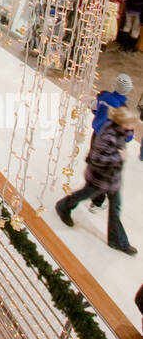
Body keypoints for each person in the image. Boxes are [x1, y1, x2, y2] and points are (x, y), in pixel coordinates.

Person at [56, 105, 138, 255]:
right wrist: (118, 157)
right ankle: (63, 206)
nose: (134, 127)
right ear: (123, 123)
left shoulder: (121, 132)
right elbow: (97, 158)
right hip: (99, 178)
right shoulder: (108, 135)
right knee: (84, 194)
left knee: (115, 208)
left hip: (112, 180)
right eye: (131, 123)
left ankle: (118, 241)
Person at [87, 74, 135, 211]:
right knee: (105, 173)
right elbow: (128, 135)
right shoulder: (123, 108)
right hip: (111, 143)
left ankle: (92, 190)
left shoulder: (103, 96)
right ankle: (97, 202)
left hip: (96, 135)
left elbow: (93, 108)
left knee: (95, 163)